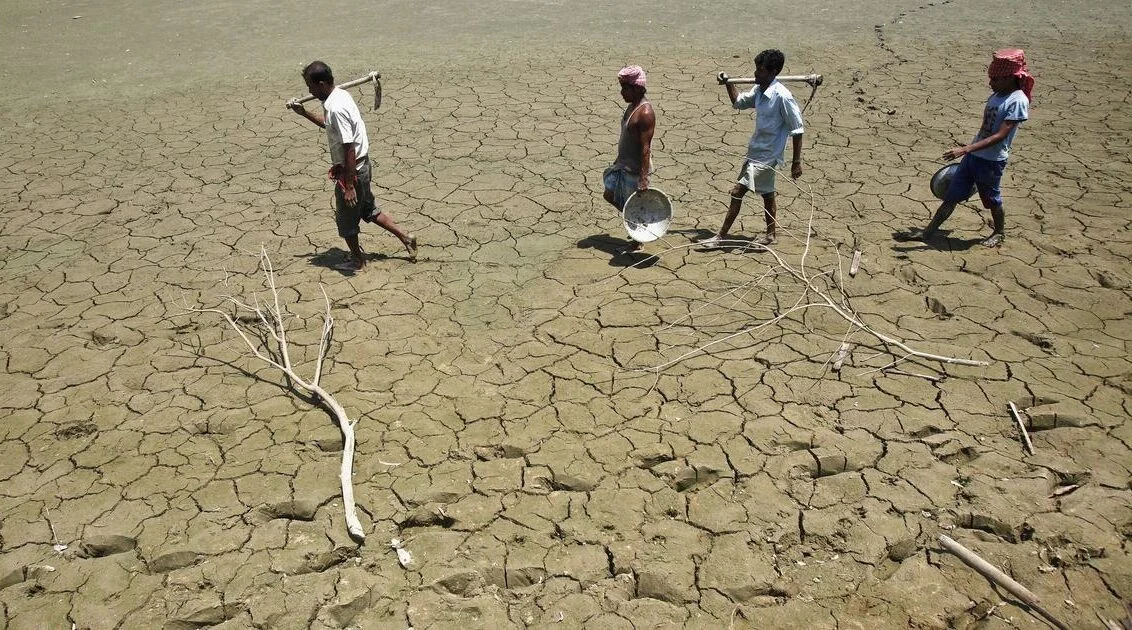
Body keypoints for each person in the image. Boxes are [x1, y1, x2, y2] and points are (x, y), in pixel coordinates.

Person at [896, 48, 1033, 247]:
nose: (991, 83)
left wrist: (965, 149)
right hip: (974, 156)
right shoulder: (997, 96)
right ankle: (928, 233)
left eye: (995, 79)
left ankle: (999, 231)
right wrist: (971, 149)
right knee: (951, 196)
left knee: (992, 199)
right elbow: (985, 127)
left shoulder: (1018, 100)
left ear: (1010, 78)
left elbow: (1000, 135)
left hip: (991, 161)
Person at [287, 61, 417, 271]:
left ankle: (357, 260)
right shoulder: (338, 96)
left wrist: (348, 186)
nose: (309, 91)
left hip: (353, 169)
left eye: (310, 86)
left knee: (346, 221)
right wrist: (303, 113)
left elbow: (349, 147)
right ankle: (406, 237)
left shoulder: (336, 107)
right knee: (368, 209)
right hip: (362, 165)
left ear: (321, 84)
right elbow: (329, 125)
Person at [699, 49, 804, 248]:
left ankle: (720, 236)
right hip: (755, 152)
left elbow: (797, 130)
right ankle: (771, 234)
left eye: (761, 70)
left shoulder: (783, 97)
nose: (756, 73)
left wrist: (796, 163)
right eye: (756, 68)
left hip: (768, 157)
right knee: (767, 194)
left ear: (773, 72)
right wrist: (728, 83)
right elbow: (738, 102)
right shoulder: (759, 91)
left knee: (737, 192)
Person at [602, 65, 656, 254]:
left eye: (626, 88)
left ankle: (638, 241)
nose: (622, 92)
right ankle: (639, 224)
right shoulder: (632, 107)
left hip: (635, 171)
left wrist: (643, 178)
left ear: (638, 88)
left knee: (632, 205)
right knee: (609, 195)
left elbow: (645, 147)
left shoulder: (645, 113)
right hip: (623, 166)